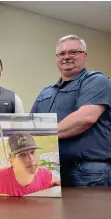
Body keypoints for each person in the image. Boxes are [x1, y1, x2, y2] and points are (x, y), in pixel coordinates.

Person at [30, 35, 111, 186]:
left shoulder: (97, 81)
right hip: (52, 171)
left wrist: (43, 134)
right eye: (62, 54)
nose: (66, 57)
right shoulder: (45, 92)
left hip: (88, 171)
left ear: (84, 55)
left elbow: (85, 118)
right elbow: (30, 126)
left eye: (73, 52)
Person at [0, 133, 59, 197]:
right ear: (11, 160)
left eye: (32, 152)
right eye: (22, 155)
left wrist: (52, 189)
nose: (31, 158)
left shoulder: (45, 175)